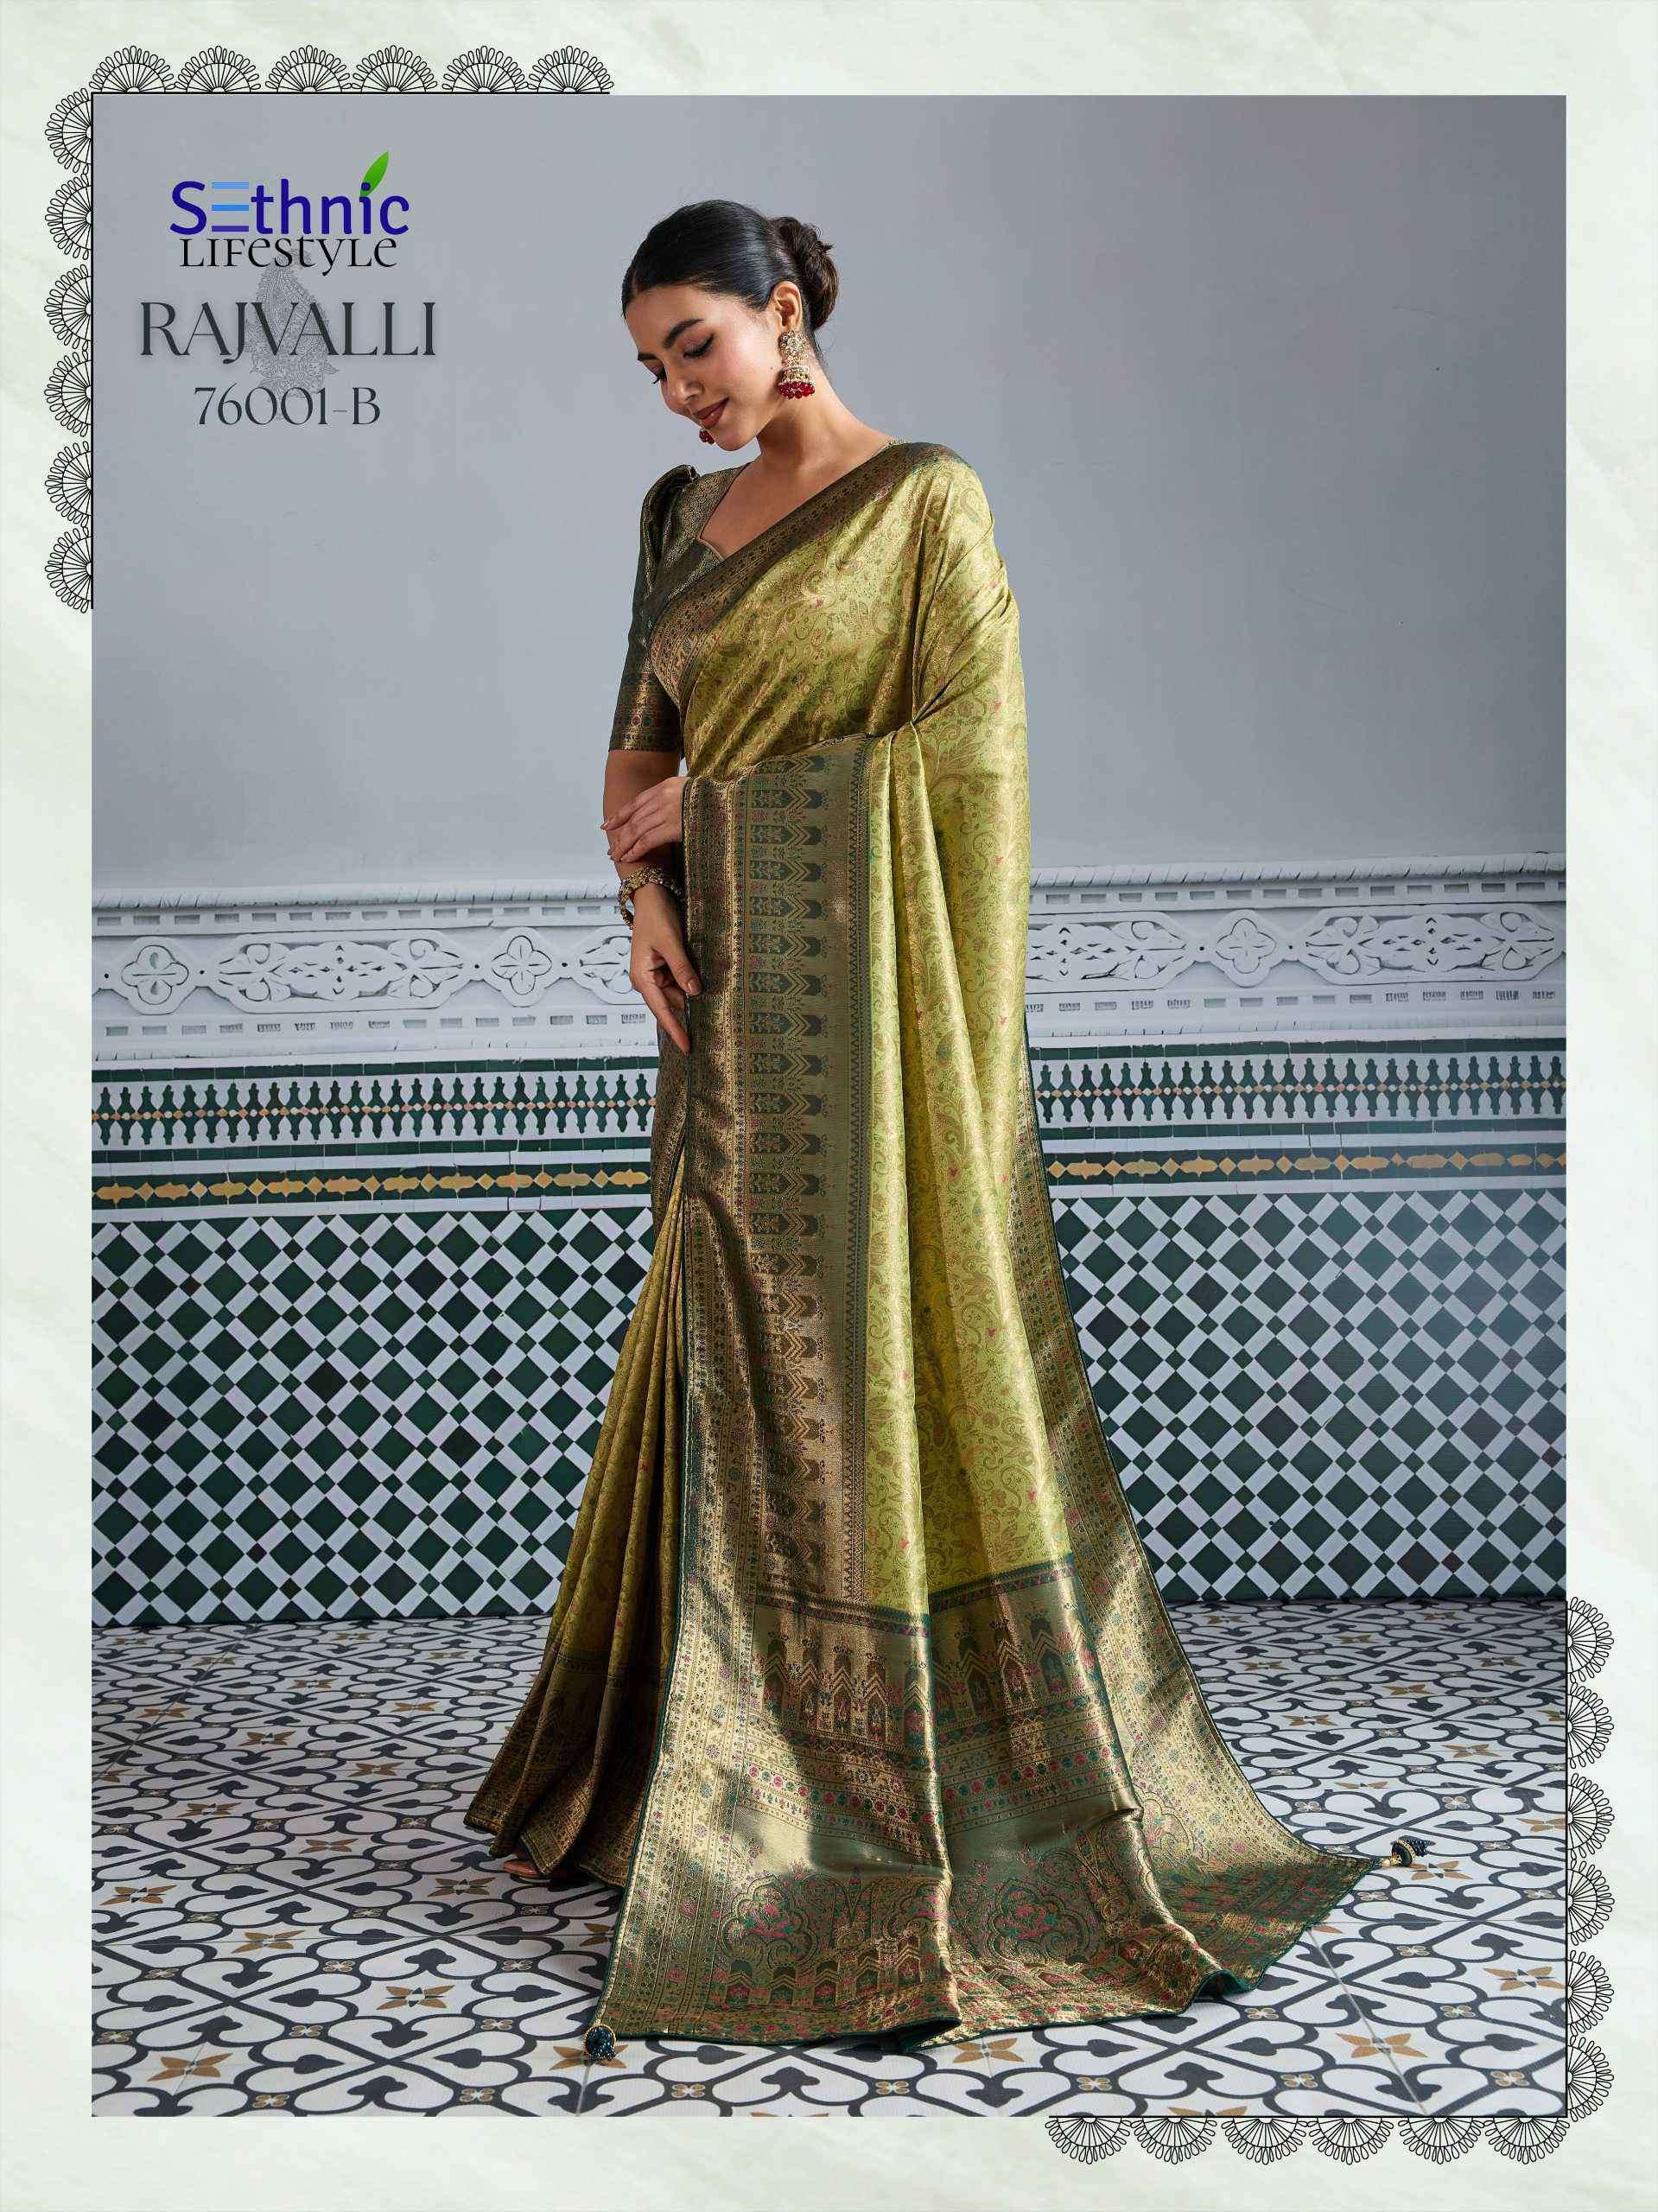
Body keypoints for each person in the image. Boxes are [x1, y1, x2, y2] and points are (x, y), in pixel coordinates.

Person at [465, 199, 1394, 2057]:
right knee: (734, 1352)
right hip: (722, 1009)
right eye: (650, 368)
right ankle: (704, 1780)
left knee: (866, 1354)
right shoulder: (675, 521)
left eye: (695, 346)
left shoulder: (922, 503)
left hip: (877, 1028)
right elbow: (638, 747)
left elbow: (972, 761)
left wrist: (718, 817)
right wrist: (644, 893)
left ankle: (881, 1790)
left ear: (783, 310)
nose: (679, 392)